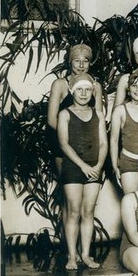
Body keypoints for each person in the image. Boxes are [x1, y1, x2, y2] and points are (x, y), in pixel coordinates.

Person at [57, 73, 108, 270]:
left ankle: (85, 255)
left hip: (94, 168)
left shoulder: (99, 114)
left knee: (88, 212)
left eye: (87, 89)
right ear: (72, 91)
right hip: (73, 167)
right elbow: (63, 144)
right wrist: (83, 166)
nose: (84, 93)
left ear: (92, 92)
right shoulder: (65, 114)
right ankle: (72, 256)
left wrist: (98, 165)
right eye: (79, 89)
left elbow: (103, 143)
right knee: (74, 212)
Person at [48, 43, 104, 176]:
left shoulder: (95, 86)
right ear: (70, 62)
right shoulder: (60, 84)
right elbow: (51, 120)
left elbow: (97, 119)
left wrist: (85, 143)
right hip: (64, 144)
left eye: (86, 61)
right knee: (66, 188)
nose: (81, 65)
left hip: (87, 145)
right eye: (77, 61)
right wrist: (69, 141)